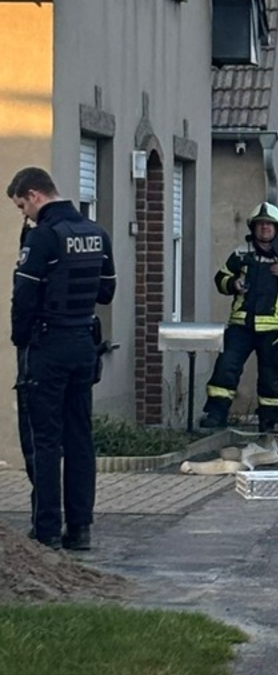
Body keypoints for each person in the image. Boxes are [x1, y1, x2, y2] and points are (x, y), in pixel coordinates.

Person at [8, 166, 116, 550]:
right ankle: (81, 528)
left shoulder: (43, 237)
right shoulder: (96, 233)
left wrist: (21, 340)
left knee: (44, 440)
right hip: (84, 345)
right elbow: (106, 293)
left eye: (23, 206)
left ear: (35, 195)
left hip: (48, 346)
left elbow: (23, 299)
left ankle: (47, 529)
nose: (25, 215)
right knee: (80, 438)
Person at [199, 202, 278, 432]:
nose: (265, 228)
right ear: (253, 227)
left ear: (277, 228)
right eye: (261, 224)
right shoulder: (241, 253)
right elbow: (220, 279)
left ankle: (269, 422)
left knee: (271, 379)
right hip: (241, 327)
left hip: (274, 330)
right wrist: (233, 283)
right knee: (225, 369)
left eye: (269, 224)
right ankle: (215, 416)